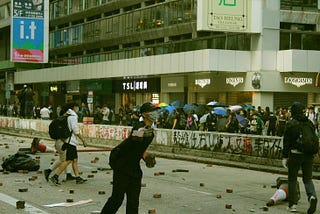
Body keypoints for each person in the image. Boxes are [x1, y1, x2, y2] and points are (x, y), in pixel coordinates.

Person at [101, 102, 158, 213]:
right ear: (145, 114)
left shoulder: (150, 132)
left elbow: (139, 149)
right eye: (153, 112)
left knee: (133, 202)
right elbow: (133, 143)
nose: (155, 114)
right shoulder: (140, 128)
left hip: (134, 169)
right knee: (117, 199)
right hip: (122, 166)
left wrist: (146, 157)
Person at [282, 101, 317, 213]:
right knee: (307, 179)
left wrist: (284, 156)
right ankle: (312, 196)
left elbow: (286, 141)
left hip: (295, 154)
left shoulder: (291, 123)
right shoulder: (309, 123)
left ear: (293, 111)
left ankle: (293, 205)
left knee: (292, 179)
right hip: (308, 155)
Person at [49, 102, 87, 185]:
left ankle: (78, 177)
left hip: (69, 141)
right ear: (74, 107)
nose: (78, 108)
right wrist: (83, 139)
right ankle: (55, 176)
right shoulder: (73, 117)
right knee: (68, 160)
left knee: (74, 160)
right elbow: (75, 130)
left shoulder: (67, 115)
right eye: (77, 107)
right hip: (71, 142)